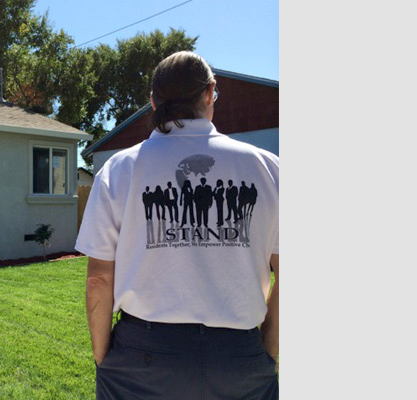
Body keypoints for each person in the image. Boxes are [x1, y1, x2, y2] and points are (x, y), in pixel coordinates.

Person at [77, 51, 279, 400]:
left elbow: (98, 279)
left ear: (153, 102)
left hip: (143, 356)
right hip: (238, 356)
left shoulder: (119, 169)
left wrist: (102, 357)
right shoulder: (269, 169)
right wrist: (267, 351)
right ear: (209, 93)